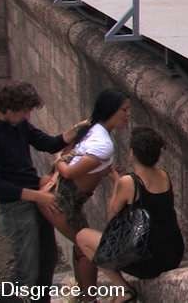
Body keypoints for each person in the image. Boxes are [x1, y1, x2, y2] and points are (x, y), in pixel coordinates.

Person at [0, 82, 87, 303]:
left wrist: (78, 129)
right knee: (27, 272)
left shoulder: (19, 124)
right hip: (17, 207)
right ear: (10, 109)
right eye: (25, 111)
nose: (28, 116)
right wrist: (37, 195)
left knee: (47, 260)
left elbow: (49, 143)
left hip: (36, 197)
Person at [38, 89, 131, 301]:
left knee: (81, 247)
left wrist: (110, 172)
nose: (127, 115)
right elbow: (70, 171)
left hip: (63, 201)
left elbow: (84, 163)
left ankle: (85, 296)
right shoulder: (103, 144)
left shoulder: (91, 128)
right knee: (87, 246)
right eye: (124, 110)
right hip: (60, 204)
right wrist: (59, 159)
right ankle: (94, 297)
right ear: (111, 110)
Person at [77, 127, 184, 303]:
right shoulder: (164, 175)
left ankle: (124, 290)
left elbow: (111, 217)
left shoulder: (129, 182)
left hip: (147, 259)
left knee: (83, 238)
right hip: (173, 254)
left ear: (132, 153)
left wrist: (116, 181)